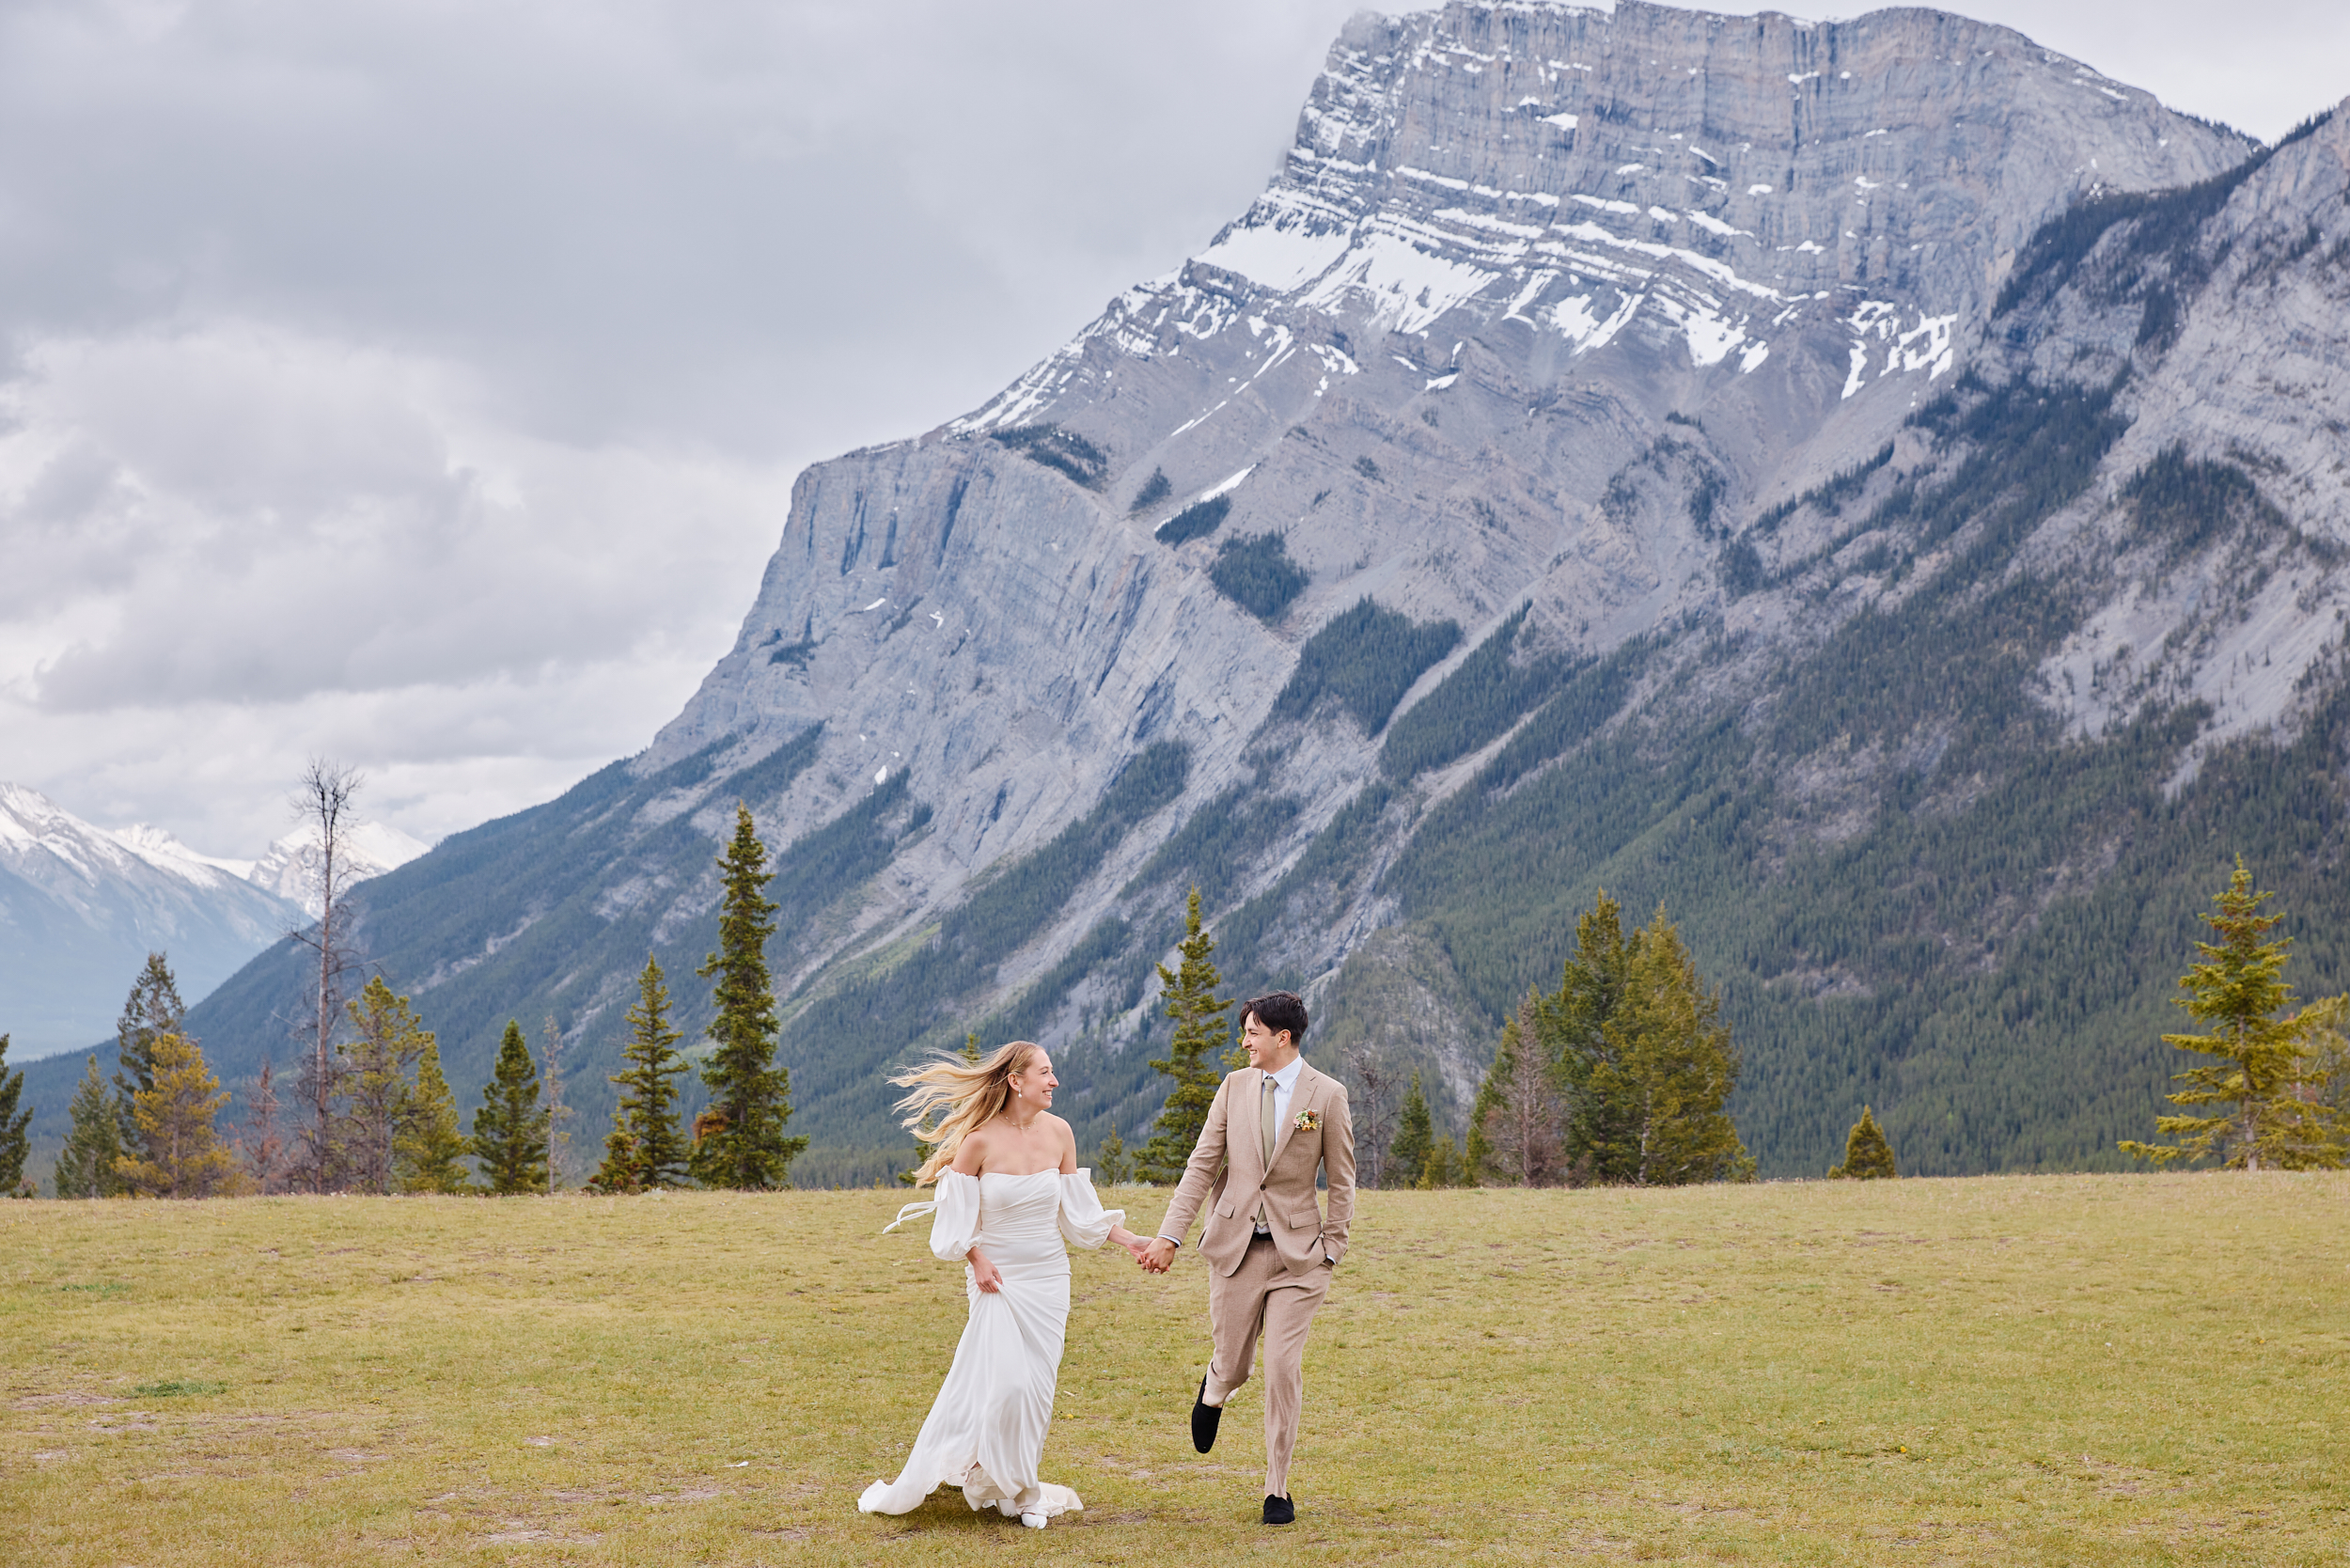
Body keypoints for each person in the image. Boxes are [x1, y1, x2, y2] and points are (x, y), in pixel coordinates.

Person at [858, 1041, 1149, 1529]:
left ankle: (1014, 1486)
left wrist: (1129, 1240)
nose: (1054, 1081)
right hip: (997, 1278)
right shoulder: (978, 1141)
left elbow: (1079, 1214)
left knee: (1036, 1390)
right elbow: (955, 1216)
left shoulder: (1060, 1133)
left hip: (1049, 1278)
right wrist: (977, 1258)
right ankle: (1013, 1484)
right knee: (1007, 1384)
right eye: (1046, 1073)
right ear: (1016, 1080)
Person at [1136, 991, 1355, 1527]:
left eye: (1253, 1032)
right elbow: (1202, 1166)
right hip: (1235, 1250)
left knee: (1282, 1366)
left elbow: (1343, 1179)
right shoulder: (1233, 1087)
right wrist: (1169, 1235)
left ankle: (1277, 1487)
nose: (1245, 1041)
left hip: (1300, 1259)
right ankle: (1214, 1389)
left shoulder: (1327, 1094)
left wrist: (1332, 1246)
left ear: (1283, 1038)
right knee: (1235, 1364)